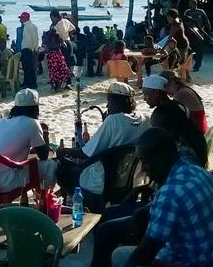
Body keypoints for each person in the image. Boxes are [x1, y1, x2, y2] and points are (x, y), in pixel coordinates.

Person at [80, 128, 213, 267]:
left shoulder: (170, 192)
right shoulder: (196, 172)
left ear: (163, 156)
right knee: (118, 255)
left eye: (147, 161)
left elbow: (146, 252)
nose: (144, 169)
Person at [56, 82, 149, 212]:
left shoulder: (113, 120)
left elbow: (86, 153)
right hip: (130, 179)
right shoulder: (144, 119)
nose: (107, 106)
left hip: (103, 182)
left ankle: (82, 207)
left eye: (109, 102)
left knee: (62, 170)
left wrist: (63, 151)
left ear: (117, 102)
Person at [0, 88, 57, 192]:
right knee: (49, 165)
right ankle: (44, 199)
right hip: (5, 181)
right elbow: (44, 155)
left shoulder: (1, 122)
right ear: (35, 107)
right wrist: (44, 131)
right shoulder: (31, 123)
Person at [42, 26, 72, 92]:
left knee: (53, 72)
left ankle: (54, 87)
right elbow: (65, 46)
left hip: (51, 56)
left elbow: (46, 48)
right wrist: (61, 41)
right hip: (58, 55)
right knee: (61, 70)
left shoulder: (47, 38)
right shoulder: (57, 38)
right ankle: (58, 86)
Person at [49, 9, 75, 85]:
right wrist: (68, 35)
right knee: (67, 63)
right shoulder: (66, 21)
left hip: (62, 44)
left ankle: (63, 81)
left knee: (62, 64)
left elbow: (55, 35)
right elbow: (73, 29)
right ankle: (68, 82)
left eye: (52, 17)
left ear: (54, 17)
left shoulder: (57, 25)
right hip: (69, 42)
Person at [18, 12, 39, 89]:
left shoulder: (27, 27)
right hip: (30, 49)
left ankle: (29, 84)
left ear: (24, 18)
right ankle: (31, 83)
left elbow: (31, 39)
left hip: (27, 49)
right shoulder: (33, 26)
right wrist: (35, 48)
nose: (20, 20)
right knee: (31, 67)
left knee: (27, 68)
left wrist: (33, 49)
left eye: (21, 18)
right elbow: (36, 38)